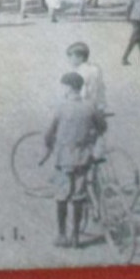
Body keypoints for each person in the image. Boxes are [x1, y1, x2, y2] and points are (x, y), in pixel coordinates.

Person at [41, 71, 108, 249]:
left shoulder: (61, 106)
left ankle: (62, 235)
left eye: (64, 86)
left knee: (61, 197)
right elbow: (102, 126)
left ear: (69, 87)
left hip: (64, 158)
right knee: (79, 196)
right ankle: (76, 237)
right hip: (83, 157)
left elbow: (50, 132)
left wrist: (48, 145)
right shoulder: (90, 105)